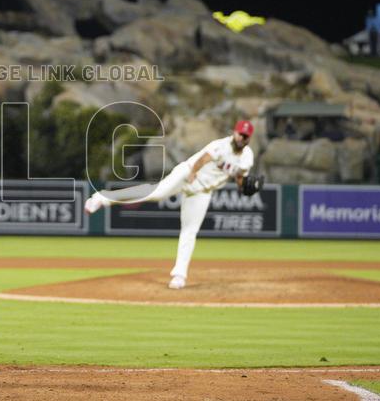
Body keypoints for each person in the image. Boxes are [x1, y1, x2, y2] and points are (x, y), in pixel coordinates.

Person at [85, 120, 261, 289]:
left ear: (249, 138)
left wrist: (244, 186)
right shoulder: (220, 145)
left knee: (190, 231)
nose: (241, 138)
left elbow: (239, 177)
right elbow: (204, 158)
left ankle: (179, 275)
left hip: (202, 191)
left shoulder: (247, 157)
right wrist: (193, 171)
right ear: (234, 132)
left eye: (245, 136)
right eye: (240, 134)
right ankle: (102, 198)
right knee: (156, 193)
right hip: (187, 175)